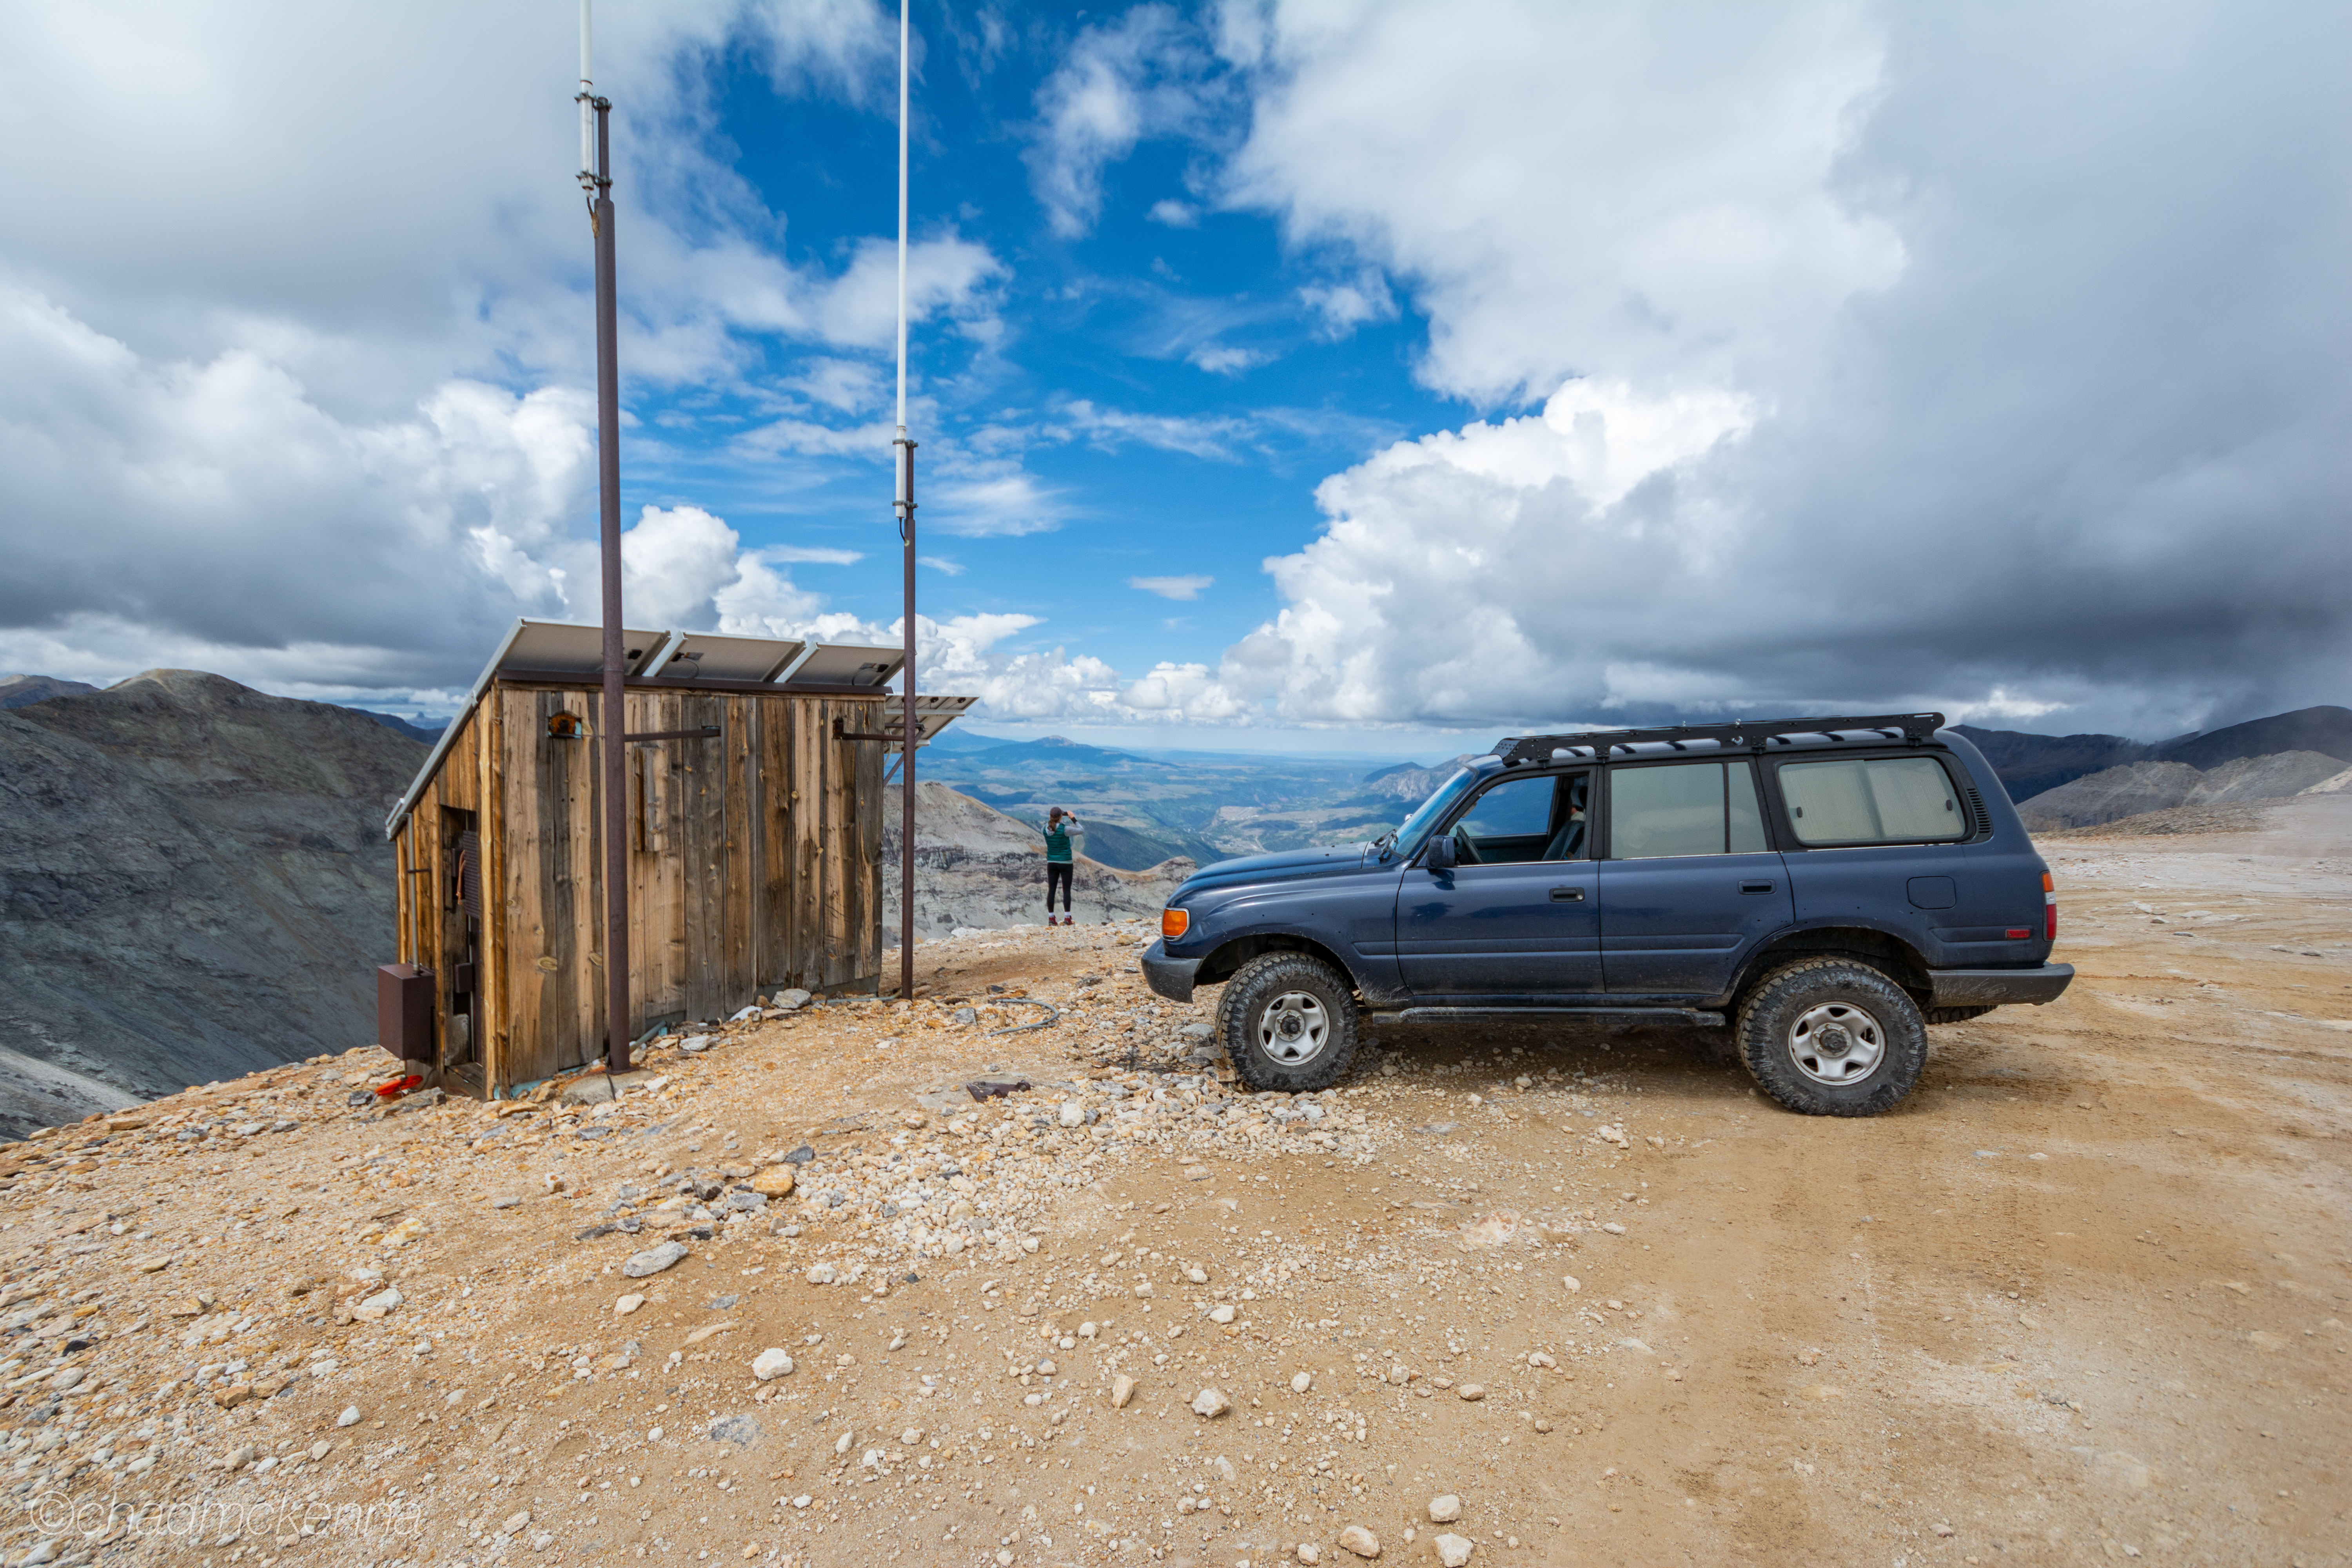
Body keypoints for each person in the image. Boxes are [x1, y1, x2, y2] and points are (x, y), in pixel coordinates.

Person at [1042, 807, 1083, 925]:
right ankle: (1067, 918)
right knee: (1067, 890)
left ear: (1050, 817)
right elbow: (1081, 830)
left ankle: (1051, 919)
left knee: (1052, 890)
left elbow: (1050, 826)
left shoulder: (1044, 829)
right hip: (1065, 862)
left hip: (1052, 862)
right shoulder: (1065, 829)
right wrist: (1073, 818)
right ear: (1061, 817)